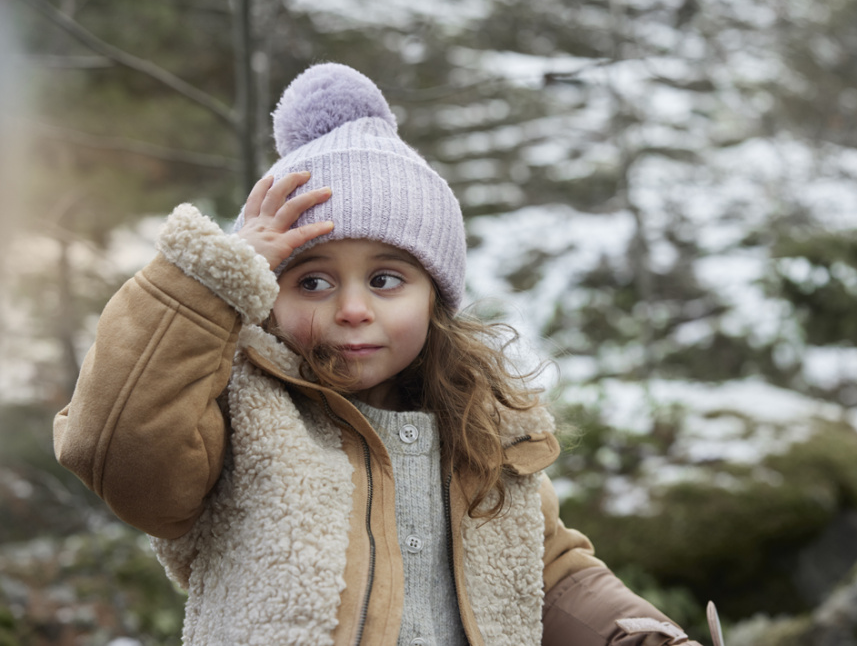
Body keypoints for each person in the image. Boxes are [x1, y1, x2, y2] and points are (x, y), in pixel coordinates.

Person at [53, 62, 717, 646]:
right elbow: (115, 451)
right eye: (312, 280)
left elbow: (549, 573)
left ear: (434, 297)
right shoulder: (235, 412)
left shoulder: (482, 428)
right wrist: (206, 282)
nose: (351, 307)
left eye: (385, 279)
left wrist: (638, 637)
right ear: (267, 295)